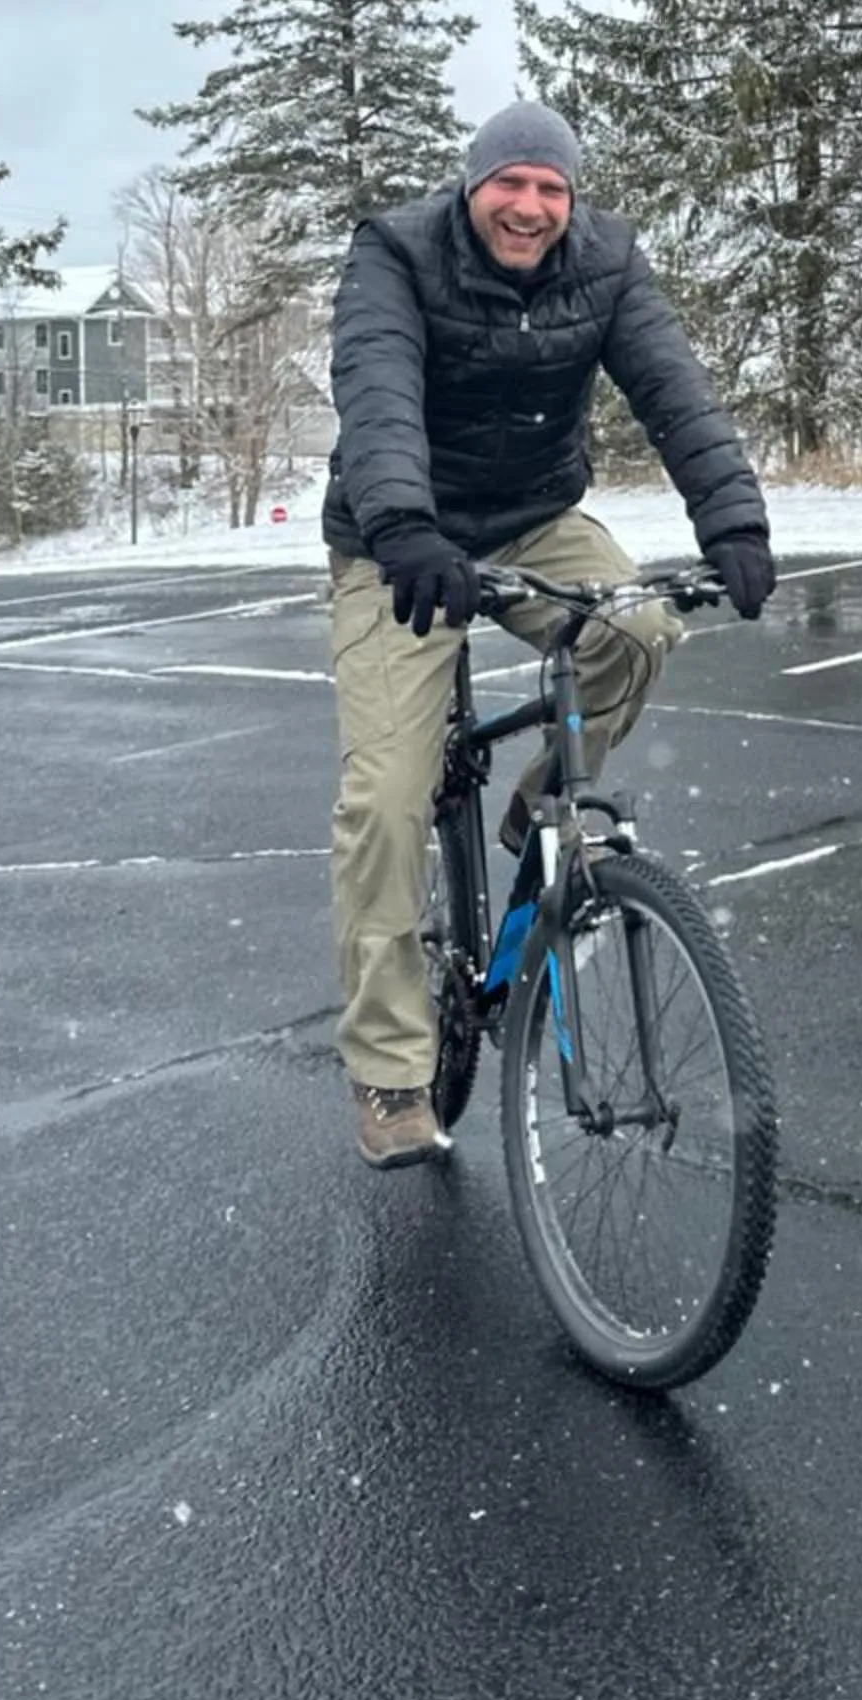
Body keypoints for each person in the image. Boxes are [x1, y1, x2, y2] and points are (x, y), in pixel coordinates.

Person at [321, 99, 776, 1167]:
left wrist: (736, 522)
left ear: (572, 201)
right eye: (509, 184)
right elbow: (378, 394)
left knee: (645, 626)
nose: (529, 206)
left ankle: (538, 814)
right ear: (472, 186)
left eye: (551, 189)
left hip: (535, 514)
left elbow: (676, 392)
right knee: (385, 800)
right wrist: (402, 527)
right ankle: (391, 1074)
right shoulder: (394, 254)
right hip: (401, 533)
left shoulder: (606, 264)